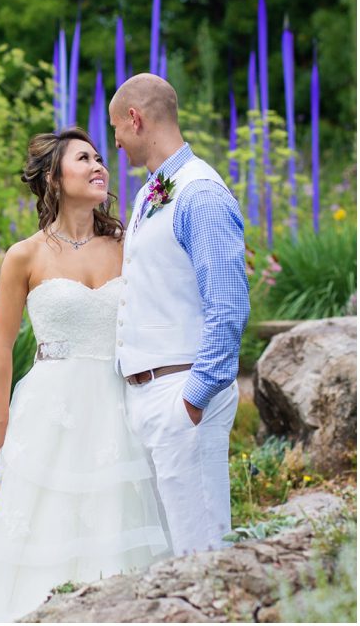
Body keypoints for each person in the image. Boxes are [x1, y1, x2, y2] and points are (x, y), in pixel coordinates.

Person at [0, 128, 170, 623]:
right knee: (40, 528)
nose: (99, 165)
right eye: (84, 159)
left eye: (100, 157)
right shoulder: (25, 255)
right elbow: (1, 343)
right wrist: (0, 421)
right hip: (52, 407)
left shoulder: (126, 243)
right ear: (54, 178)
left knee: (116, 521)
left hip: (120, 405)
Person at [108, 73, 250, 556]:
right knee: (169, 556)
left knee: (202, 551)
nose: (117, 144)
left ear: (136, 118)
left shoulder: (200, 193)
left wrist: (191, 400)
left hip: (183, 392)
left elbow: (228, 305)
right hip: (154, 391)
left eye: (116, 130)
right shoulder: (154, 190)